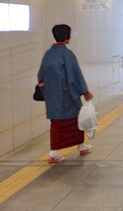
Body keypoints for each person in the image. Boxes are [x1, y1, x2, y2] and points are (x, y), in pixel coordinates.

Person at [38, 24, 93, 163]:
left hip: (52, 97)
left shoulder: (48, 54)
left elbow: (41, 76)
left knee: (57, 124)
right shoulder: (68, 54)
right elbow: (75, 75)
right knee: (75, 121)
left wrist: (48, 92)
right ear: (67, 37)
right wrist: (85, 91)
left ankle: (55, 152)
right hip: (68, 96)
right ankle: (80, 146)